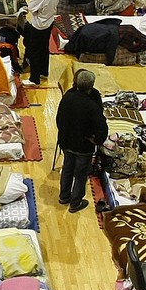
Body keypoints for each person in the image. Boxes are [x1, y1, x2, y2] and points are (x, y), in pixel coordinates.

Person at [55, 69, 107, 212]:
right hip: (84, 146)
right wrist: (96, 140)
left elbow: (59, 119)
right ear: (91, 86)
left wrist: (64, 133)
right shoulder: (92, 106)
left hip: (67, 142)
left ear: (76, 83)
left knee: (67, 169)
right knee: (80, 174)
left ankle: (64, 196)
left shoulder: (67, 97)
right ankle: (75, 203)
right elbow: (102, 128)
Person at [22, 0, 59, 87]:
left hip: (39, 25)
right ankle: (43, 71)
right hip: (49, 22)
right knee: (44, 48)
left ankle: (34, 78)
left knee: (34, 51)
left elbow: (31, 7)